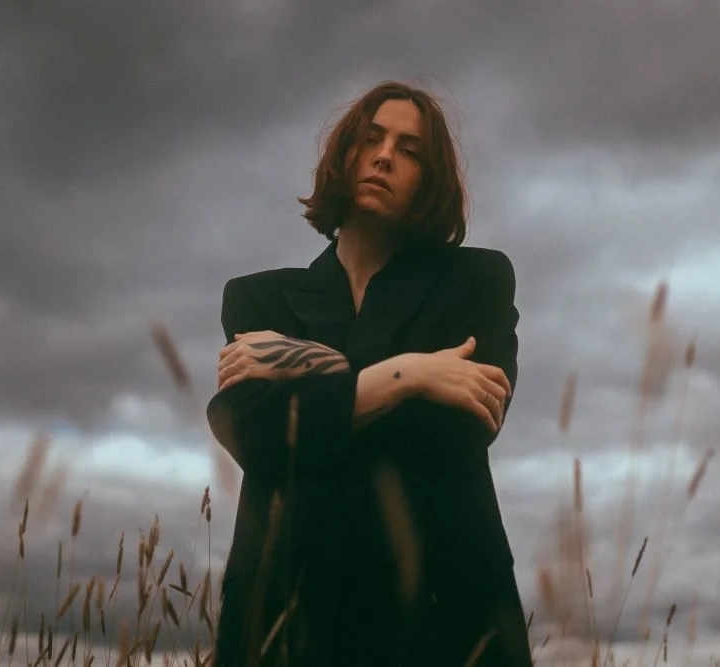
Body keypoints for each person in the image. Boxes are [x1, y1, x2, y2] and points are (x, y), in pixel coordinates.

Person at [207, 80, 533, 667]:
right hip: (287, 612)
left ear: (431, 179)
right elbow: (255, 434)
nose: (384, 156)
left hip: (443, 615)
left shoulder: (477, 282)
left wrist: (308, 367)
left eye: (410, 150)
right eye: (371, 139)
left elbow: (462, 427)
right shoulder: (259, 298)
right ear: (345, 154)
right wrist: (411, 374)